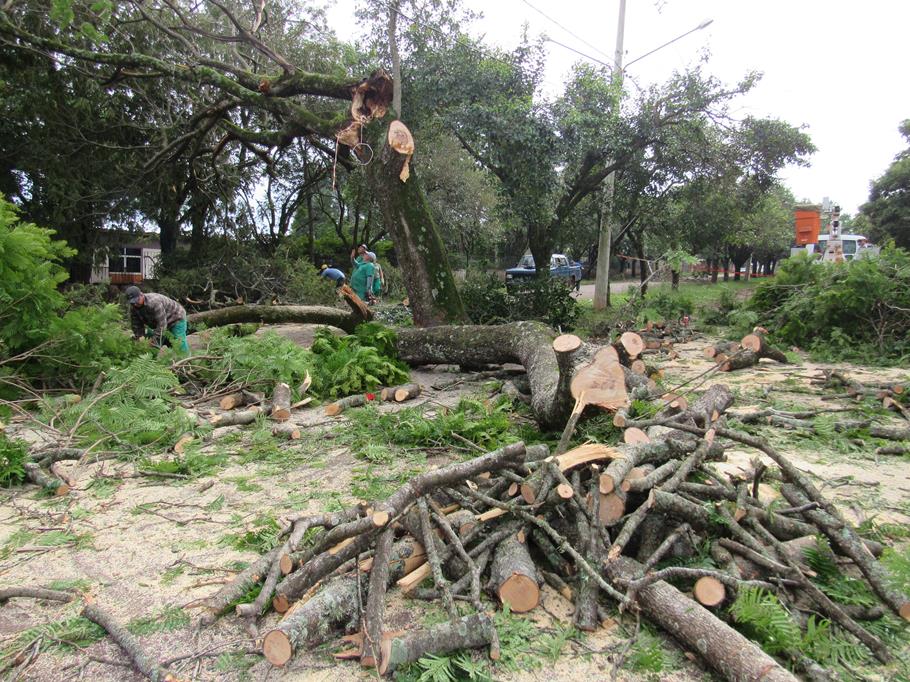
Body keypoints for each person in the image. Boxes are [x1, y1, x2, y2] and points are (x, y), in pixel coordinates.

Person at [125, 285, 189, 353]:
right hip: (156, 322)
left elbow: (162, 326)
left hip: (176, 317)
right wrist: (140, 337)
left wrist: (153, 341)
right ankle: (151, 362)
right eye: (133, 302)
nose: (135, 304)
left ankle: (187, 360)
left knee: (178, 341)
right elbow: (136, 325)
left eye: (136, 301)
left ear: (141, 295)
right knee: (151, 343)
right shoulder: (133, 307)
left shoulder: (154, 303)